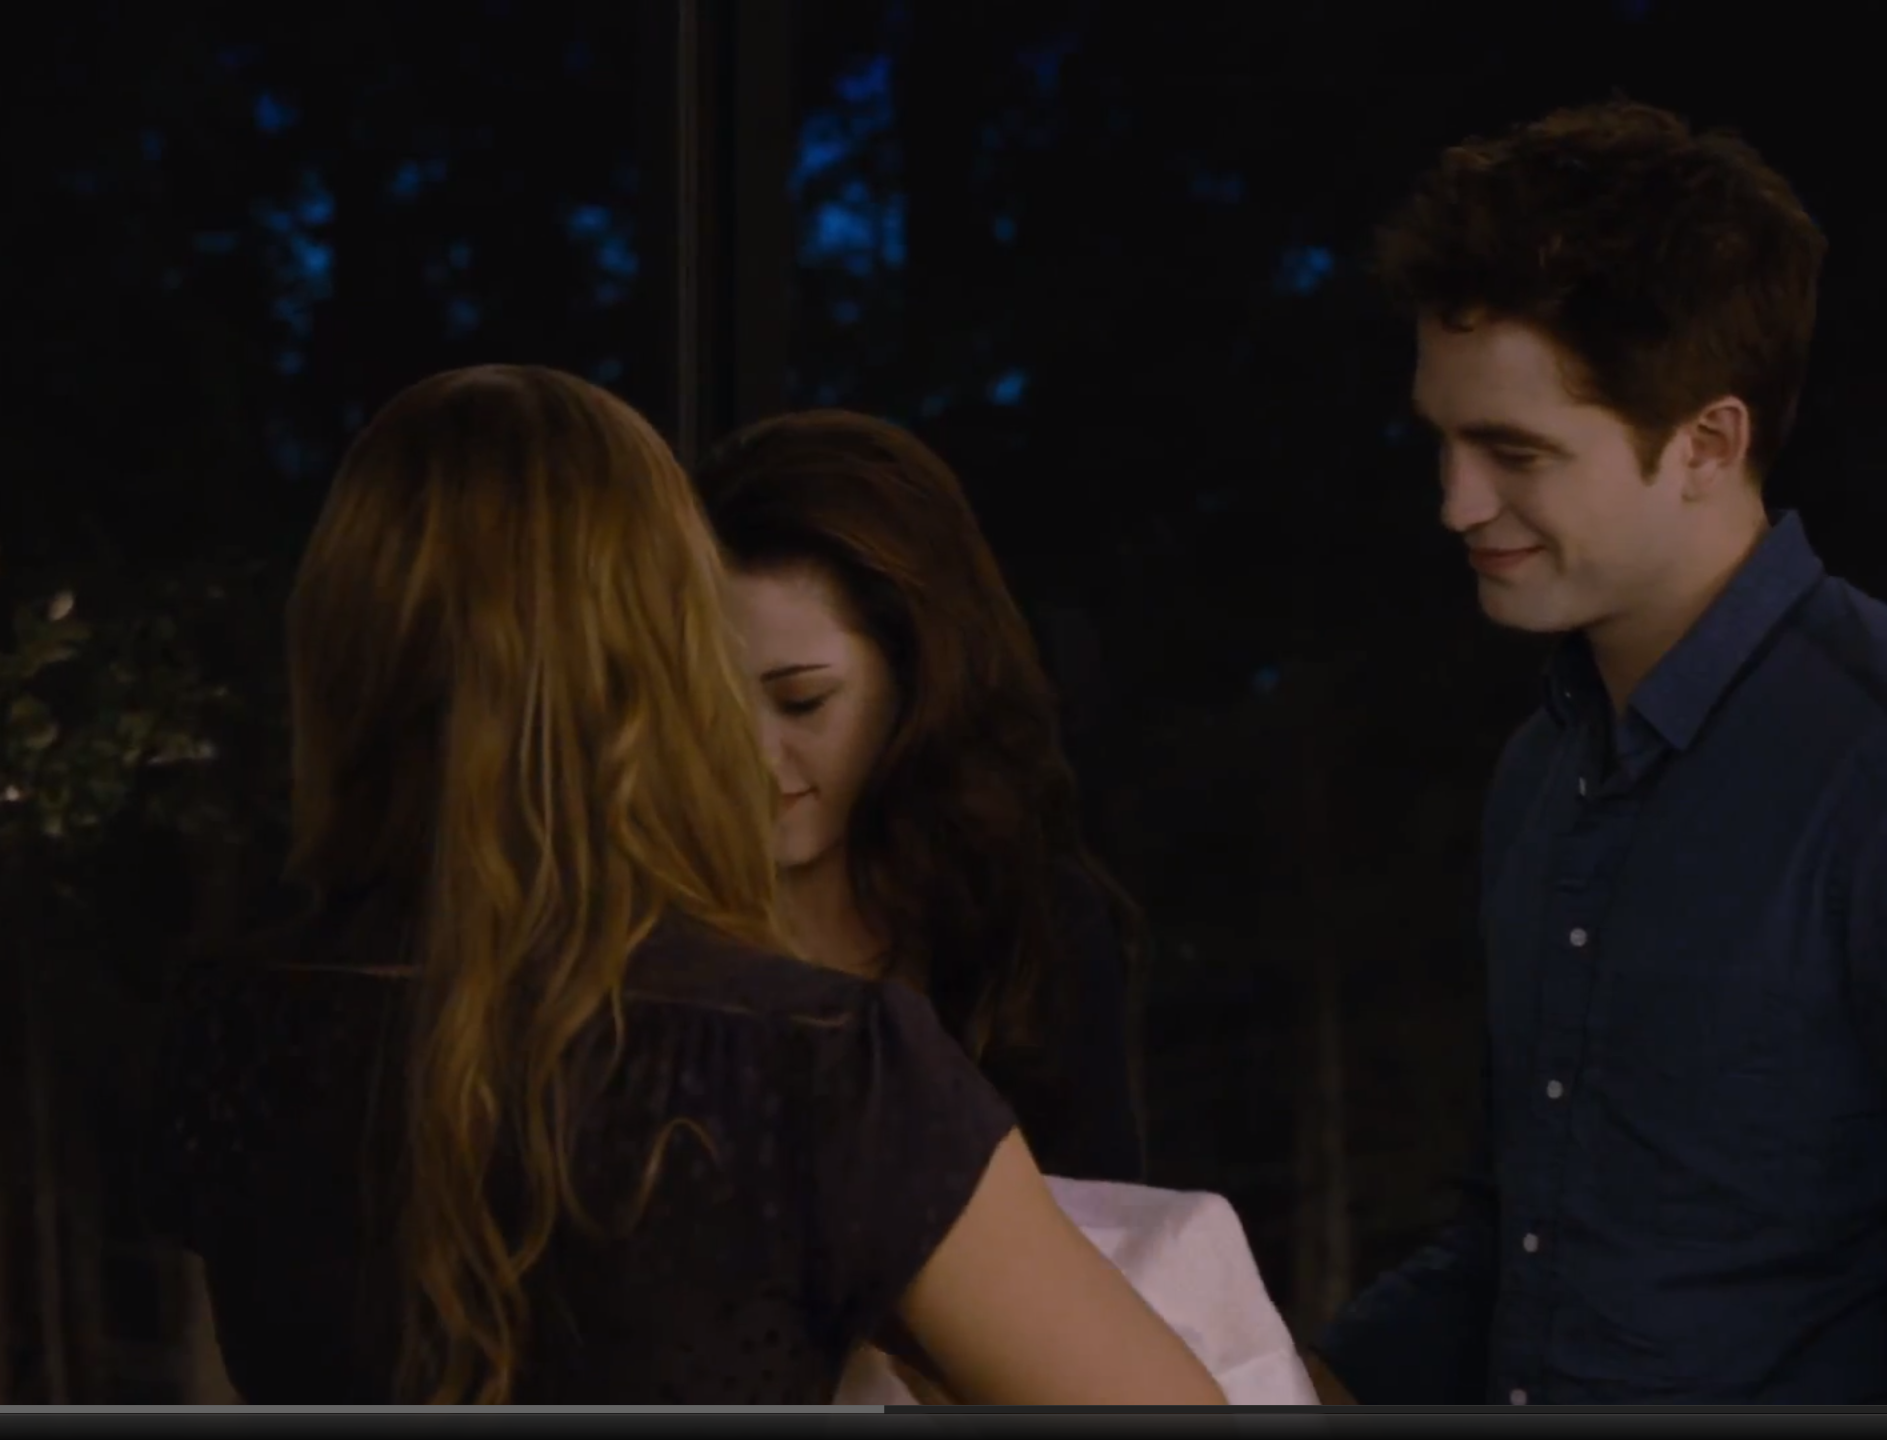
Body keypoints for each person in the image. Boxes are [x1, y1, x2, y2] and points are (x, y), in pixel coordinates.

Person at [146, 365, 1224, 1406]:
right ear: (667, 655)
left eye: (802, 701)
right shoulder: (822, 1068)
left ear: (335, 648)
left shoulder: (225, 1025)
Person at [1314, 102, 1887, 1404]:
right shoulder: (1542, 772)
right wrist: (1265, 1374)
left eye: (1515, 452)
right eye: (1443, 438)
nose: (1456, 502)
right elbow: (1519, 1251)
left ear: (1708, 442)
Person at [696, 411, 1146, 1184]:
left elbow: (1110, 1226)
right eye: (710, 710)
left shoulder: (1026, 925)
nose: (753, 759)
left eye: (803, 702)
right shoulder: (653, 921)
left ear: (918, 683)